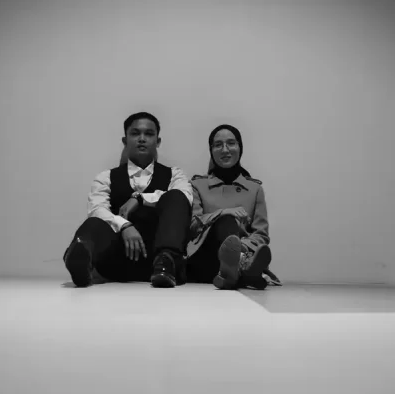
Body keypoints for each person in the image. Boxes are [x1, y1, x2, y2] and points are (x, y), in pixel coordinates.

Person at [64, 112, 193, 288]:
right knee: (95, 220)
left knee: (176, 196)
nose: (142, 139)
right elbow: (97, 208)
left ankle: (166, 260)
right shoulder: (106, 177)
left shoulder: (175, 175)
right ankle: (80, 260)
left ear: (158, 141)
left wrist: (140, 199)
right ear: (125, 141)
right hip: (116, 262)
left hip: (159, 263)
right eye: (135, 133)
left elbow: (184, 197)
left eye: (149, 134)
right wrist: (124, 225)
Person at [186, 125, 281, 290]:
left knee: (234, 244)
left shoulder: (255, 189)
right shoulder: (197, 185)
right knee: (227, 220)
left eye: (231, 143)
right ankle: (246, 270)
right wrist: (223, 213)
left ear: (240, 147)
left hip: (241, 251)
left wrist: (240, 246)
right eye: (218, 145)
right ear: (211, 150)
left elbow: (261, 234)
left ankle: (236, 266)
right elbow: (193, 227)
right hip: (205, 257)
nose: (225, 150)